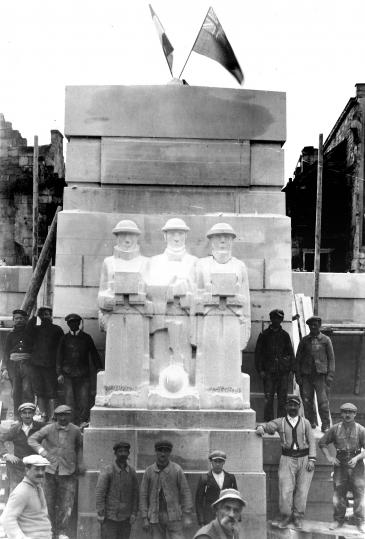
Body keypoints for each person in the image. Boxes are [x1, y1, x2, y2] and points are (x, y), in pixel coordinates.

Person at [255, 395, 316, 529]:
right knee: (285, 489)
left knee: (302, 490)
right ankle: (285, 516)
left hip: (305, 459)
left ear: (299, 407)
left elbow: (312, 441)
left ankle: (298, 517)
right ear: (286, 407)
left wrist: (312, 459)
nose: (293, 408)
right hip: (287, 459)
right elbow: (268, 426)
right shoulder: (280, 422)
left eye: (295, 405)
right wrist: (261, 427)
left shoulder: (305, 423)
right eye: (290, 405)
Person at [28, 404, 85, 539]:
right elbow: (32, 440)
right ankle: (49, 531)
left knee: (66, 504)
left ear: (70, 416)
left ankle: (62, 532)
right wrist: (44, 453)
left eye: (66, 415)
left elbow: (79, 447)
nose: (63, 418)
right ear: (56, 416)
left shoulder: (76, 430)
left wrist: (80, 463)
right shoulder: (48, 429)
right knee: (48, 502)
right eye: (60, 415)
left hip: (68, 472)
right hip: (49, 471)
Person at [319, 402, 365, 533]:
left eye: (351, 412)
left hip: (357, 464)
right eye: (345, 412)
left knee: (359, 492)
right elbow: (322, 443)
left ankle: (360, 521)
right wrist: (330, 457)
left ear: (355, 414)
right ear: (341, 414)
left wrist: (357, 458)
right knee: (339, 492)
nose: (348, 414)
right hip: (340, 464)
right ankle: (338, 520)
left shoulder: (361, 429)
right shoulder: (335, 429)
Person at [140, 439, 193, 539]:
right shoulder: (149, 471)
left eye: (166, 451)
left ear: (170, 453)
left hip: (174, 516)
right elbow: (143, 495)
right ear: (156, 452)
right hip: (155, 516)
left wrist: (187, 515)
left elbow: (185, 493)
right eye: (160, 451)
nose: (163, 454)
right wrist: (144, 518)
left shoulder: (177, 470)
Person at [56, 313, 103, 425]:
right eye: (71, 323)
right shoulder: (64, 339)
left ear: (79, 323)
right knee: (69, 399)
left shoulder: (86, 338)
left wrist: (100, 369)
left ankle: (83, 420)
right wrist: (59, 373)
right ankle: (71, 421)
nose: (73, 325)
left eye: (76, 322)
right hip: (67, 374)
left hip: (83, 374)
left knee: (84, 398)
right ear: (68, 324)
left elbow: (94, 354)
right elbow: (59, 357)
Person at [295, 316, 335, 432]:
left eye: (315, 325)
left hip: (321, 377)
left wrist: (330, 375)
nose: (313, 327)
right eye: (311, 325)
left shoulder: (326, 340)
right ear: (308, 326)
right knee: (307, 401)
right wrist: (298, 376)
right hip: (306, 376)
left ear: (319, 326)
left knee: (323, 402)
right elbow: (298, 359)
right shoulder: (304, 340)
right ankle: (310, 422)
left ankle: (326, 425)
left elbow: (331, 359)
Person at [255, 309, 295, 421]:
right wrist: (260, 370)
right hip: (268, 373)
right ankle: (269, 422)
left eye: (279, 319)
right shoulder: (264, 335)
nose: (277, 321)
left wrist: (290, 370)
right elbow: (258, 355)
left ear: (281, 320)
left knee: (282, 398)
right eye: (275, 318)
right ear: (271, 319)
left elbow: (291, 353)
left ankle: (281, 422)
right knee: (268, 398)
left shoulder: (285, 336)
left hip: (283, 373)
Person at [1, 454, 52, 539]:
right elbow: (6, 519)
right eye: (37, 469)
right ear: (27, 470)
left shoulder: (38, 488)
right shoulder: (21, 491)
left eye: (43, 469)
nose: (40, 473)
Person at [96, 441, 139, 539]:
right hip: (110, 518)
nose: (123, 454)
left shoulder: (132, 472)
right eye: (120, 451)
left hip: (126, 519)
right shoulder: (108, 470)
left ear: (128, 453)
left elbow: (136, 494)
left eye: (125, 451)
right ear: (115, 454)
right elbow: (100, 493)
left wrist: (134, 513)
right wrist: (100, 513)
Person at [28, 306, 64, 421]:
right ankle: (43, 414)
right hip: (36, 365)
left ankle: (53, 416)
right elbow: (27, 330)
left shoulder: (57, 329)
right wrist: (33, 316)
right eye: (42, 315)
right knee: (38, 390)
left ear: (51, 316)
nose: (45, 316)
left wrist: (59, 368)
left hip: (50, 366)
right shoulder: (35, 329)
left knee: (51, 390)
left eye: (47, 314)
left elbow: (61, 349)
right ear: (40, 317)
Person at [0, 402, 44, 491]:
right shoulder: (15, 429)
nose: (27, 416)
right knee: (17, 493)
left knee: (37, 494)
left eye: (30, 412)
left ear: (34, 414)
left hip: (36, 467)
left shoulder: (41, 428)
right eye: (24, 413)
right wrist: (6, 454)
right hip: (19, 467)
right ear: (20, 414)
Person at [2, 308, 34, 414]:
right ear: (13, 320)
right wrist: (5, 368)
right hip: (13, 366)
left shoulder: (30, 333)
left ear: (25, 319)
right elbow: (6, 352)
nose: (19, 320)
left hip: (27, 364)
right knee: (16, 391)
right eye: (16, 318)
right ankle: (16, 415)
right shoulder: (10, 335)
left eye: (21, 318)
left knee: (27, 390)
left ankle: (29, 414)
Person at [195, 450, 238, 527]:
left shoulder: (230, 478)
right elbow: (198, 501)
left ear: (224, 462)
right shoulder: (204, 478)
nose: (218, 464)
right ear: (211, 462)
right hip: (209, 517)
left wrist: (236, 518)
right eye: (215, 461)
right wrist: (201, 521)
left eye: (220, 461)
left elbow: (236, 499)